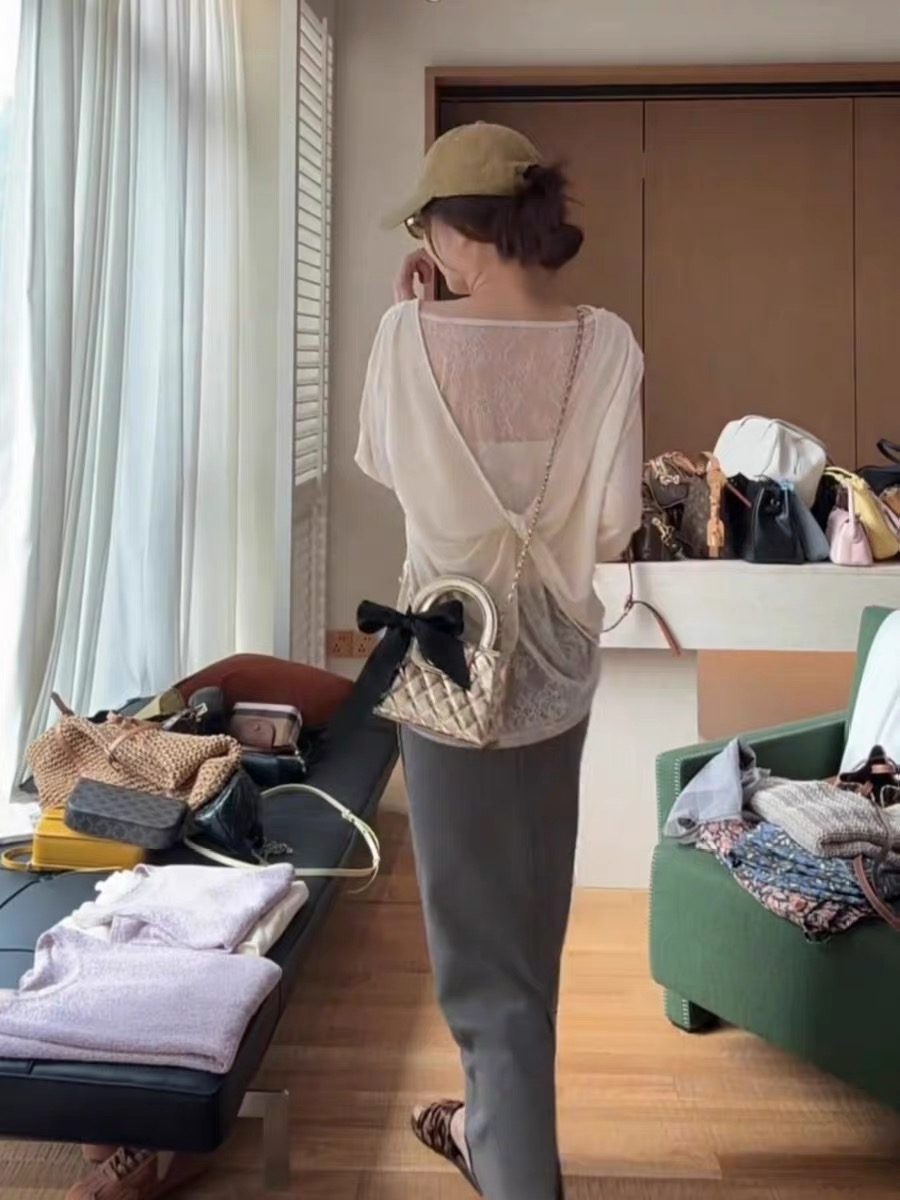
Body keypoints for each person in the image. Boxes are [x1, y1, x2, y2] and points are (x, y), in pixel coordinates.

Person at [356, 123, 644, 1200]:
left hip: (447, 668)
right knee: (527, 941)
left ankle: (513, 1165)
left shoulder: (403, 338)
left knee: (484, 976)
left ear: (454, 233)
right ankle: (493, 1131)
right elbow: (613, 524)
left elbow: (388, 466)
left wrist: (412, 320)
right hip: (555, 670)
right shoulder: (608, 345)